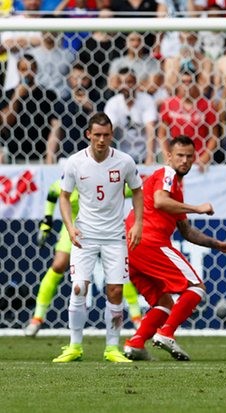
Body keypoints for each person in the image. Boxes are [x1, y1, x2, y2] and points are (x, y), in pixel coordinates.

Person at [124, 135, 226, 361]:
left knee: (164, 302)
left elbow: (186, 231)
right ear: (169, 156)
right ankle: (167, 333)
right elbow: (159, 201)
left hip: (131, 248)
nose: (185, 161)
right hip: (150, 241)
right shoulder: (166, 175)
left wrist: (218, 245)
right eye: (180, 155)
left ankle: (136, 343)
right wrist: (198, 208)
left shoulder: (175, 189)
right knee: (196, 286)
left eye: (189, 156)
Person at [52, 112, 144, 363]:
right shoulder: (74, 162)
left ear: (112, 136)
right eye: (97, 135)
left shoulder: (124, 162)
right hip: (85, 236)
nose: (101, 140)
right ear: (88, 135)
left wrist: (137, 223)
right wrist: (70, 228)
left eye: (106, 135)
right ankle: (75, 346)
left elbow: (137, 191)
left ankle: (111, 348)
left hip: (115, 237)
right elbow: (63, 196)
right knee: (79, 287)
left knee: (115, 291)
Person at [24, 179, 143, 337]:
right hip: (74, 228)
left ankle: (137, 319)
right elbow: (53, 194)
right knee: (59, 265)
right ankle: (37, 318)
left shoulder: (106, 181)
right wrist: (47, 222)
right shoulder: (66, 183)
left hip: (105, 230)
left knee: (118, 272)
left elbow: (136, 192)